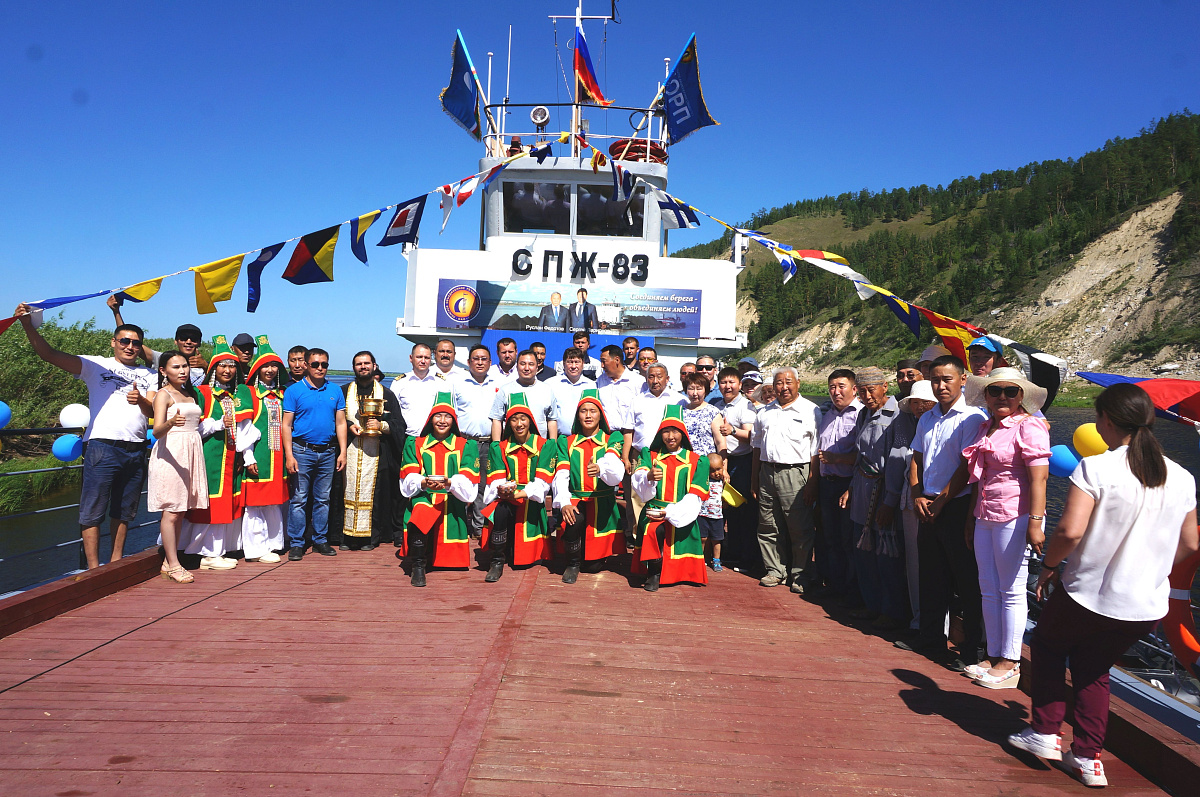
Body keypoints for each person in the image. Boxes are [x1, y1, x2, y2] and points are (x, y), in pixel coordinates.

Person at [1008, 383, 1198, 788]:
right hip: (1145, 607)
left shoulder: (1096, 468)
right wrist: (1150, 569)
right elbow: (1190, 544)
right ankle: (1088, 758)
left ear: (1107, 421)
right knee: (1094, 670)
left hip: (1090, 594)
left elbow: (1070, 531)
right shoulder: (1180, 477)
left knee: (1047, 646)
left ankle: (1044, 734)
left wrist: (1050, 565)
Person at [13, 303, 156, 569]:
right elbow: (49, 354)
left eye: (136, 343)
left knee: (124, 512)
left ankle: (115, 564)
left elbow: (153, 409)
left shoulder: (150, 375)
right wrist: (26, 325)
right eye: (124, 340)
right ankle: (93, 568)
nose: (130, 346)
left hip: (136, 448)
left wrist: (140, 402)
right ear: (113, 342)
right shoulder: (95, 365)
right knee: (92, 511)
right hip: (102, 447)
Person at [960, 367, 1050, 688]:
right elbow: (980, 478)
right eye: (995, 390)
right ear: (985, 394)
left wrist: (1036, 522)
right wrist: (972, 517)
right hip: (986, 513)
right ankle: (993, 652)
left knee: (1011, 588)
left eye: (1010, 392)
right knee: (988, 586)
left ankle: (1010, 661)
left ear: (1021, 397)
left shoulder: (1030, 427)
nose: (1002, 397)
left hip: (1016, 515)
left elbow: (1039, 477)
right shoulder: (987, 427)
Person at [897, 354, 987, 669]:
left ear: (963, 379)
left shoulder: (972, 418)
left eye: (947, 379)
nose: (940, 386)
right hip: (927, 502)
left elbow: (966, 468)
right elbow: (916, 459)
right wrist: (917, 494)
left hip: (956, 503)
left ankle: (971, 650)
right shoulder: (927, 417)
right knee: (931, 576)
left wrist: (940, 502)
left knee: (965, 579)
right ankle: (930, 638)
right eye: (935, 380)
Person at [839, 367, 906, 628]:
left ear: (885, 386)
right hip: (862, 487)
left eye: (872, 389)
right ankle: (871, 604)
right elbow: (860, 457)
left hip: (883, 489)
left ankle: (890, 611)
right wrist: (851, 488)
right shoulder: (864, 414)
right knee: (863, 551)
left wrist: (890, 501)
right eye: (862, 390)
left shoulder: (899, 416)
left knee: (886, 554)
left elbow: (898, 459)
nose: (867, 395)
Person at [184, 336, 256, 571]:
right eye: (223, 365)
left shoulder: (238, 395)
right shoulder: (202, 393)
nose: (228, 370)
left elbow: (245, 429)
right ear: (214, 368)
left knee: (226, 503)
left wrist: (247, 457)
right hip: (209, 457)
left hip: (231, 458)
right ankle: (204, 552)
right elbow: (192, 428)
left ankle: (218, 549)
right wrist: (216, 424)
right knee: (209, 504)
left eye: (232, 366)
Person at [750, 367, 822, 594]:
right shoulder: (764, 412)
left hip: (796, 473)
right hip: (767, 472)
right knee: (768, 525)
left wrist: (812, 481)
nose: (783, 387)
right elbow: (756, 447)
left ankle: (800, 573)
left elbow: (815, 450)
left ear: (798, 383)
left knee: (799, 526)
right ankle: (774, 570)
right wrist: (754, 479)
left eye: (788, 382)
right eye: (778, 383)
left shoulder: (811, 411)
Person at [398, 393, 480, 587]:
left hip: (452, 498)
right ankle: (418, 566)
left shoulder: (465, 446)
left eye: (447, 416)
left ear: (454, 420)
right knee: (421, 510)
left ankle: (444, 558)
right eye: (438, 415)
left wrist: (450, 483)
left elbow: (469, 485)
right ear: (430, 418)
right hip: (424, 495)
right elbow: (407, 479)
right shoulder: (416, 444)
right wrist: (424, 483)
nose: (442, 421)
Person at [631, 405, 711, 591]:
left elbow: (695, 497)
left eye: (675, 431)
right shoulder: (650, 456)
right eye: (666, 431)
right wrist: (648, 478)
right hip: (653, 510)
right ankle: (654, 572)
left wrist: (669, 513)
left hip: (682, 513)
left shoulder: (696, 460)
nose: (670, 436)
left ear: (683, 433)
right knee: (653, 530)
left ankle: (679, 573)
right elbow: (638, 479)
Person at [552, 389, 626, 583]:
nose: (588, 415)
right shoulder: (566, 441)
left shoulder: (612, 438)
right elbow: (561, 473)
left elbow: (613, 464)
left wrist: (600, 467)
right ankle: (572, 563)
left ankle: (591, 555)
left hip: (602, 501)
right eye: (583, 411)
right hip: (577, 497)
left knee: (593, 568)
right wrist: (565, 501)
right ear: (577, 415)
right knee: (572, 520)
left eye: (593, 411)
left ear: (600, 414)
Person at [282, 347, 347, 561]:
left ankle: (320, 539)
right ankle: (297, 543)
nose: (320, 368)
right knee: (299, 499)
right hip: (302, 451)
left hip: (327, 452)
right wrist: (289, 455)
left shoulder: (335, 391)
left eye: (324, 364)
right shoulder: (293, 391)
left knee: (323, 499)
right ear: (307, 365)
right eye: (316, 364)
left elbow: (340, 422)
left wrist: (343, 451)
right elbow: (286, 425)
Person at [147, 351, 207, 583]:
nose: (182, 371)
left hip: (190, 451)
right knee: (171, 509)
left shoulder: (189, 393)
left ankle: (168, 561)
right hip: (171, 452)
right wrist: (171, 422)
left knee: (181, 510)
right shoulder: (163, 395)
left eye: (184, 366)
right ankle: (173, 564)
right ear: (163, 371)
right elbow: (157, 431)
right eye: (175, 367)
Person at [482, 395, 555, 581]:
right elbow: (496, 479)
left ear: (530, 421)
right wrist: (503, 490)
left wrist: (520, 493)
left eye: (523, 419)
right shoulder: (499, 447)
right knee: (500, 510)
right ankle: (497, 560)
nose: (519, 424)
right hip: (507, 497)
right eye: (514, 419)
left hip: (530, 497)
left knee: (520, 560)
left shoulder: (544, 445)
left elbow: (542, 482)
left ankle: (522, 552)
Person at [882, 374, 935, 631]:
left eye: (924, 401)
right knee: (913, 566)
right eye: (914, 402)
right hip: (908, 501)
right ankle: (917, 622)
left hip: (931, 503)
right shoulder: (907, 426)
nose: (919, 406)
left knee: (931, 567)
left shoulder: (938, 427)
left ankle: (932, 625)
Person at [338, 350, 405, 551]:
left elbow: (399, 425)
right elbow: (335, 418)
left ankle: (371, 538)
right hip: (349, 450)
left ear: (374, 366)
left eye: (367, 363)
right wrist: (349, 424)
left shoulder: (387, 394)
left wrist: (382, 425)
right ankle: (346, 538)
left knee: (375, 495)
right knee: (346, 491)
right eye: (359, 364)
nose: (363, 367)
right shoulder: (342, 392)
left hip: (377, 454)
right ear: (354, 368)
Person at [242, 336, 290, 563]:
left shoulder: (282, 395)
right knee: (254, 505)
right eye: (265, 366)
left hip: (278, 458)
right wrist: (248, 456)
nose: (270, 370)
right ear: (256, 369)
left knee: (274, 503)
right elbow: (244, 428)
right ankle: (254, 549)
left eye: (274, 366)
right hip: (258, 454)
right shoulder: (249, 393)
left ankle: (273, 544)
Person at [816, 369, 861, 601]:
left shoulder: (861, 415)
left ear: (854, 389)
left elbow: (865, 456)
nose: (836, 392)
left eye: (841, 386)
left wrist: (838, 459)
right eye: (832, 387)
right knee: (830, 538)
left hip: (849, 484)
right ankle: (834, 584)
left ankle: (851, 590)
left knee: (848, 539)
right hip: (827, 483)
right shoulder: (826, 413)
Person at [713, 366, 760, 575]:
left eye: (731, 382)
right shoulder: (717, 405)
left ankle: (747, 556)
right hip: (722, 461)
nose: (727, 386)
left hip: (742, 461)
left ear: (739, 385)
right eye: (723, 382)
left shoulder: (746, 407)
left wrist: (733, 430)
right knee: (726, 509)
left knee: (744, 510)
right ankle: (730, 550)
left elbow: (752, 436)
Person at [454, 344, 503, 540]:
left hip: (489, 443)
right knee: (461, 484)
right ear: (469, 362)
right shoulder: (458, 384)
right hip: (464, 443)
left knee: (483, 486)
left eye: (484, 359)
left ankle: (479, 528)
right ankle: (457, 527)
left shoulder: (498, 385)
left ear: (490, 363)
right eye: (476, 358)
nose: (480, 362)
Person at [106, 295, 209, 384]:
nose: (188, 342)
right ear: (176, 341)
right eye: (183, 338)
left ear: (199, 343)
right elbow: (130, 341)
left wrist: (206, 366)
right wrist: (116, 312)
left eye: (194, 339)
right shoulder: (163, 359)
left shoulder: (207, 366)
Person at [681, 372, 727, 571]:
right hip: (684, 467)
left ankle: (706, 556)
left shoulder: (712, 411)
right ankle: (683, 552)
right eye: (691, 388)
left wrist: (723, 467)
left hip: (706, 470)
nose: (695, 392)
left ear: (706, 390)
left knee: (706, 513)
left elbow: (719, 441)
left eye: (699, 388)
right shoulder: (679, 410)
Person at [489, 350, 558, 441]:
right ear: (517, 367)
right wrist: (496, 446)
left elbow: (552, 420)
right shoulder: (505, 390)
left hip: (540, 447)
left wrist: (552, 445)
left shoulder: (547, 389)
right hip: (511, 448)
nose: (526, 368)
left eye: (531, 364)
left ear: (537, 367)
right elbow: (497, 420)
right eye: (522, 364)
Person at [390, 343, 442, 437]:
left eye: (426, 358)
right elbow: (393, 413)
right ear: (411, 358)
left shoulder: (441, 382)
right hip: (407, 437)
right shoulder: (399, 383)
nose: (423, 361)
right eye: (419, 357)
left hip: (433, 438)